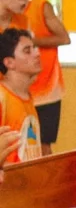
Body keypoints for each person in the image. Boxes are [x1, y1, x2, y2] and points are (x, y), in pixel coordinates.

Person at [0, 0, 71, 157]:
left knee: (33, 147)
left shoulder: (22, 20)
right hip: (6, 95)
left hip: (26, 92)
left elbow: (64, 38)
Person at [0, 29, 43, 164]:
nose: (37, 53)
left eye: (34, 48)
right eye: (27, 51)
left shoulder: (27, 97)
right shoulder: (2, 97)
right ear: (9, 62)